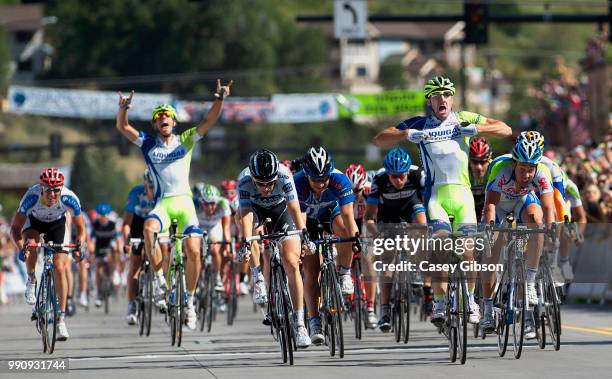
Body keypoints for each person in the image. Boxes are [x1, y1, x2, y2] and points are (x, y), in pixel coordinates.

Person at [372, 76, 512, 326]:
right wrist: (406, 134)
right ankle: (438, 299)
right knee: (441, 247)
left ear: (452, 98)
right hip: (436, 196)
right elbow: (379, 139)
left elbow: (506, 129)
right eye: (436, 96)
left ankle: (470, 300)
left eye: (446, 95)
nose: (442, 99)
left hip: (463, 196)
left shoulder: (464, 118)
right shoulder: (420, 123)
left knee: (468, 250)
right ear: (430, 100)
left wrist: (477, 129)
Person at [115, 79, 231, 330]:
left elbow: (208, 122)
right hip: (163, 204)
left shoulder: (186, 139)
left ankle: (188, 302)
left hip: (185, 203)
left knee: (194, 249)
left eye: (168, 116)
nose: (163, 119)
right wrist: (124, 108)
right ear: (156, 124)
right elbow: (123, 127)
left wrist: (220, 99)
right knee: (148, 229)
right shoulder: (148, 143)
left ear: (174, 122)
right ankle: (158, 280)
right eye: (159, 117)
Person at [237, 149, 311, 348]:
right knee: (248, 230)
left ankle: (300, 324)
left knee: (292, 263)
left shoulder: (285, 174)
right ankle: (258, 276)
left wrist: (304, 233)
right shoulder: (244, 181)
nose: (267, 188)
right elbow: (245, 214)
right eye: (261, 184)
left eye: (270, 183)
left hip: (281, 210)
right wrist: (246, 240)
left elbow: (295, 208)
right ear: (252, 179)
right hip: (255, 210)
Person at [482, 139, 555, 338]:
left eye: (531, 169)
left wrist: (550, 230)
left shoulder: (542, 173)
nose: (526, 174)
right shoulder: (501, 170)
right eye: (522, 168)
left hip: (522, 203)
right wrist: (490, 231)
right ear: (514, 164)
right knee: (492, 252)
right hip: (499, 206)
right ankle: (487, 310)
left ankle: (529, 282)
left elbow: (548, 207)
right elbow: (490, 206)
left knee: (536, 221)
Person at [294, 146, 360, 344]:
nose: (322, 183)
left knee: (344, 231)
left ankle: (344, 273)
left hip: (331, 213)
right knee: (311, 270)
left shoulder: (339, 180)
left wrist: (356, 238)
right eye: (316, 180)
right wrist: (304, 242)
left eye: (325, 179)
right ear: (307, 175)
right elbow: (301, 219)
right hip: (308, 222)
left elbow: (349, 215)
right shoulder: (297, 183)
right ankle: (314, 320)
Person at [10, 168, 86, 341]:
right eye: (48, 190)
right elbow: (14, 228)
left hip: (57, 225)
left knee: (60, 267)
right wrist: (22, 247)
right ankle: (31, 279)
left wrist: (80, 246)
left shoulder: (69, 198)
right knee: (32, 242)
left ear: (62, 188)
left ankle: (61, 319)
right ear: (41, 188)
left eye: (56, 190)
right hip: (34, 224)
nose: (52, 195)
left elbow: (81, 229)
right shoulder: (31, 197)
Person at [365, 148, 427, 332]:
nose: (398, 180)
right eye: (394, 177)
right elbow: (368, 217)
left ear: (408, 171)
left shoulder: (418, 175)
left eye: (401, 176)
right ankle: (384, 309)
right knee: (388, 260)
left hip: (411, 207)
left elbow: (431, 201)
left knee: (421, 227)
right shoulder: (379, 180)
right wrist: (377, 235)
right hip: (388, 214)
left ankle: (416, 269)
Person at [345, 163, 378, 328]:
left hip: (365, 223)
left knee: (368, 257)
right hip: (347, 223)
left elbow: (376, 216)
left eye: (357, 191)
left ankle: (370, 307)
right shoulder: (341, 192)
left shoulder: (369, 191)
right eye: (351, 191)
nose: (355, 194)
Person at [122, 169, 157, 325]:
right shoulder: (136, 192)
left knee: (163, 251)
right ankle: (131, 304)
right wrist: (127, 241)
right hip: (137, 223)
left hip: (156, 223)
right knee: (135, 263)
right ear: (144, 183)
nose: (151, 189)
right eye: (149, 185)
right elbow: (126, 223)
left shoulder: (162, 191)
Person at [193, 183, 231, 292]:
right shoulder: (195, 204)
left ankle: (216, 277)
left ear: (217, 201)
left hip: (215, 227)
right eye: (206, 204)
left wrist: (228, 245)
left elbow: (226, 228)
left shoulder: (224, 204)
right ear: (201, 202)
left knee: (215, 249)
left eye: (212, 203)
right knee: (196, 252)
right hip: (199, 227)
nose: (210, 207)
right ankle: (197, 278)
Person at [91, 202, 119, 308]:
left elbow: (117, 238)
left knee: (115, 250)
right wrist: (91, 248)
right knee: (99, 268)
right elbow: (92, 239)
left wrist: (118, 246)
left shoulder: (112, 224)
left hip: (109, 244)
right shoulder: (95, 224)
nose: (103, 218)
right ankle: (99, 294)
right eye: (101, 216)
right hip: (99, 245)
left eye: (105, 216)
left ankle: (114, 271)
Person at [469, 137, 493, 218]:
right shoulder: (462, 168)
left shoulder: (494, 169)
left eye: (483, 162)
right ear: (468, 159)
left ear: (489, 159)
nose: (479, 167)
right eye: (475, 162)